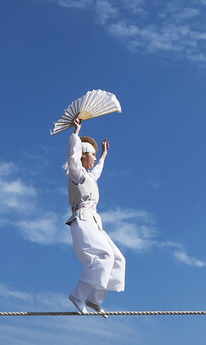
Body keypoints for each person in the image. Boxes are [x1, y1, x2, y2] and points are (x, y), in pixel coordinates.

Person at [65, 115, 125, 315]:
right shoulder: (77, 174)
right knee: (104, 256)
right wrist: (76, 133)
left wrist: (104, 155)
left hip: (95, 222)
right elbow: (72, 158)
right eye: (93, 154)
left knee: (117, 259)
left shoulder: (90, 177)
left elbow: (97, 170)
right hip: (82, 220)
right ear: (84, 154)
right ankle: (78, 294)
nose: (94, 158)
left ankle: (94, 299)